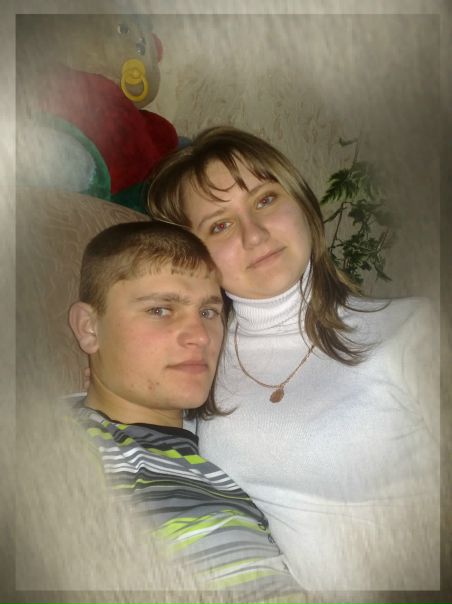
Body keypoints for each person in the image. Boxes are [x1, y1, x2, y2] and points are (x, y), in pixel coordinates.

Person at [146, 126, 440, 591]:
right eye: (219, 225)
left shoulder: (415, 330)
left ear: (301, 202)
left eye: (264, 200)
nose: (255, 234)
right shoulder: (195, 363)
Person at [68, 220, 304, 599]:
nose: (199, 336)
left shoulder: (221, 448)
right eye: (161, 310)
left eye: (208, 312)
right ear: (89, 328)